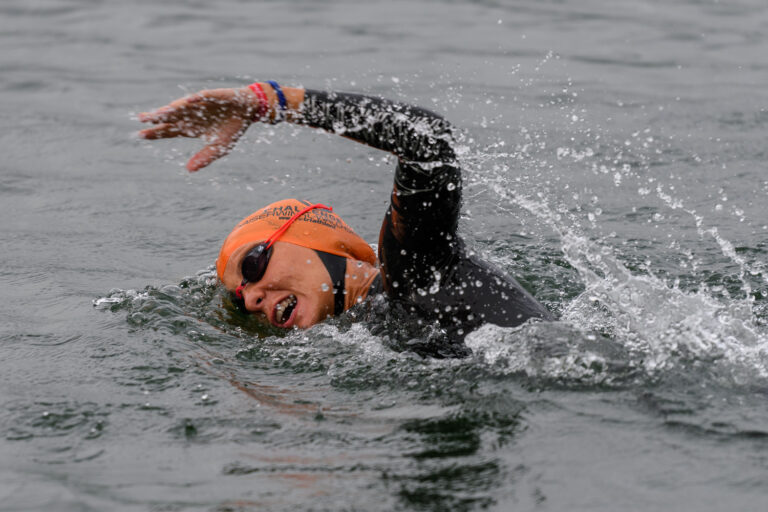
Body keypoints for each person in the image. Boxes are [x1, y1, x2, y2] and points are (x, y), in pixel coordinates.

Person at [138, 81, 552, 357]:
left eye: (253, 264)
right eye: (239, 300)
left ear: (312, 237)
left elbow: (427, 140)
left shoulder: (415, 272)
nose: (250, 299)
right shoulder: (361, 332)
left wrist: (272, 102)